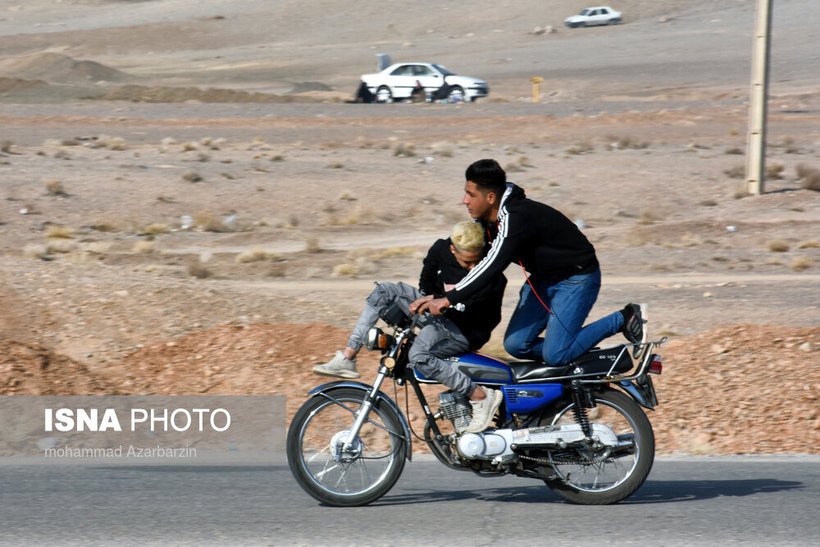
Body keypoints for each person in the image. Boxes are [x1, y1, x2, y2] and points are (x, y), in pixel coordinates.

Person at [418, 158, 644, 367]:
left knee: (556, 356)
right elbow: (456, 249)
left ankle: (624, 318)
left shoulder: (514, 218)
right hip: (542, 279)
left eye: (470, 194)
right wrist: (433, 293)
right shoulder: (485, 220)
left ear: (490, 198)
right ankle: (576, 353)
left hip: (576, 279)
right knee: (516, 345)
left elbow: (492, 263)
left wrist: (450, 298)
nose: (464, 200)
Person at [313, 220, 507, 433]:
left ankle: (478, 395)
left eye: (476, 261)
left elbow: (474, 310)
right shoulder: (441, 249)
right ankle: (348, 357)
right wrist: (428, 299)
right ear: (453, 249)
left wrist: (439, 302)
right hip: (437, 313)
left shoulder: (492, 273)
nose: (473, 268)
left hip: (466, 329)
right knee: (384, 292)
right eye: (467, 262)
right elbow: (427, 277)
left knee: (418, 356)